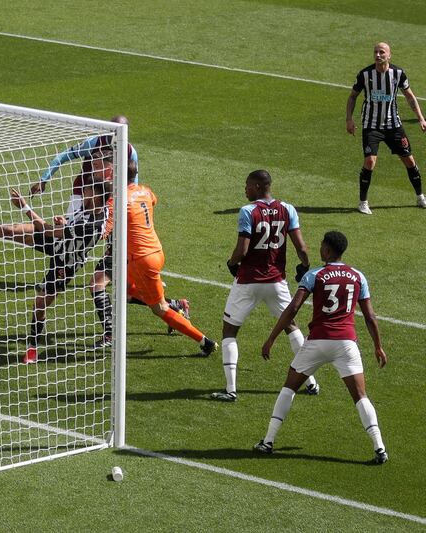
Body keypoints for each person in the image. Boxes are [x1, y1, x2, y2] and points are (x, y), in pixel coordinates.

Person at [0, 160, 112, 364]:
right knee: (7, 231)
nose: (83, 191)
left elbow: (47, 229)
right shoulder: (92, 206)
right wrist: (66, 223)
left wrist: (24, 206)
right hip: (58, 240)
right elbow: (62, 228)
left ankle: (32, 347)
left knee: (40, 304)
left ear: (95, 195)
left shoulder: (93, 224)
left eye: (87, 190)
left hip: (65, 262)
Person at [254, 231, 388, 464]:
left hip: (317, 342)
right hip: (347, 344)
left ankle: (268, 441)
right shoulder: (358, 276)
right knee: (360, 397)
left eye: (321, 246)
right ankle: (379, 448)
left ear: (327, 250)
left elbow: (293, 309)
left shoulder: (315, 275)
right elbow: (370, 316)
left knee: (289, 388)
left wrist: (272, 338)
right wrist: (378, 346)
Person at [214, 169, 319, 401]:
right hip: (276, 281)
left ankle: (231, 389)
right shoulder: (288, 209)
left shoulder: (248, 211)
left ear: (259, 187)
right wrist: (304, 267)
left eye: (248, 186)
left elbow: (242, 250)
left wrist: (232, 263)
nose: (245, 190)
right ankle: (310, 382)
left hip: (248, 281)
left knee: (230, 330)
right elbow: (302, 248)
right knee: (291, 326)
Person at [90, 161, 200, 348]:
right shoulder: (145, 191)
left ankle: (110, 334)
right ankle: (176, 305)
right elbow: (153, 200)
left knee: (97, 284)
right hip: (144, 249)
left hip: (125, 251)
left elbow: (102, 232)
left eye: (105, 168)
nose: (102, 172)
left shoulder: (116, 196)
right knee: (127, 292)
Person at [346, 42, 426, 214]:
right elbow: (352, 97)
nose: (378, 55)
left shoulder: (398, 74)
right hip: (371, 125)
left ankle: (420, 197)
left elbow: (410, 96)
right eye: (375, 52)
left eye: (382, 52)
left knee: (410, 161)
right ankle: (363, 202)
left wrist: (420, 118)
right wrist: (349, 120)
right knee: (369, 161)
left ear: (389, 55)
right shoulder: (365, 74)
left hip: (393, 125)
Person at [30, 114, 138, 217]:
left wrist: (133, 199)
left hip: (108, 196)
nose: (117, 134)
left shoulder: (129, 151)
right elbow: (62, 156)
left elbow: (133, 180)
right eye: (114, 130)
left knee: (109, 232)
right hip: (82, 193)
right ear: (109, 129)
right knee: (71, 231)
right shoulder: (93, 143)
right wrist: (43, 180)